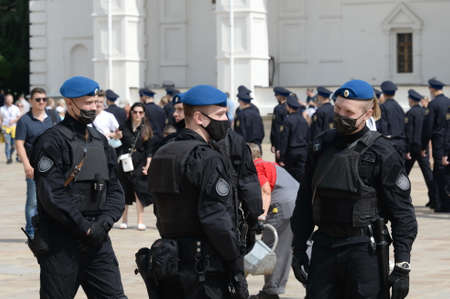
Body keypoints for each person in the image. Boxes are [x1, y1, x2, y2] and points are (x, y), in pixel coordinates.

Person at [291, 79, 417, 299]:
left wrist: (402, 264)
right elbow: (304, 201)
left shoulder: (383, 152)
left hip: (363, 251)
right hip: (324, 246)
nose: (340, 115)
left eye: (348, 112)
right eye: (337, 108)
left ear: (367, 114)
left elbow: (402, 212)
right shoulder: (322, 146)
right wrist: (298, 248)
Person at [147, 85, 249, 299]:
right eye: (220, 115)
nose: (226, 120)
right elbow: (215, 217)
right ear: (199, 118)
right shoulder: (208, 158)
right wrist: (235, 261)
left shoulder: (163, 152)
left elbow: (158, 208)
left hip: (169, 258)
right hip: (204, 265)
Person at [30, 76, 127, 298]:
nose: (93, 108)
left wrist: (103, 223)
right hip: (62, 242)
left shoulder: (99, 140)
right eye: (87, 103)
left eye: (95, 102)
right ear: (69, 103)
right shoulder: (51, 141)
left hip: (97, 241)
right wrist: (84, 227)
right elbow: (52, 194)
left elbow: (115, 189)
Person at [248, 143, 298, 299]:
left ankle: (271, 291)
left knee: (272, 248)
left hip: (283, 207)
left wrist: (261, 215)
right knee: (288, 249)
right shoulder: (270, 164)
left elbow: (265, 190)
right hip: (295, 205)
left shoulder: (256, 167)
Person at [15, 88, 60, 239]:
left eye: (44, 99)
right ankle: (31, 231)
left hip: (54, 167)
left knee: (53, 199)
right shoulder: (24, 120)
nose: (42, 102)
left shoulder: (53, 116)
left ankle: (50, 230)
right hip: (34, 167)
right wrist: (27, 165)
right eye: (38, 99)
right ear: (30, 101)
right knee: (33, 201)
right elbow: (19, 144)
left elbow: (62, 136)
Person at [117, 103, 153, 230]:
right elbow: (117, 145)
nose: (138, 115)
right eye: (135, 112)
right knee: (125, 190)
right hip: (125, 162)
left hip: (139, 162)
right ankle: (124, 219)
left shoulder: (146, 128)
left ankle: (140, 220)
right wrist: (116, 137)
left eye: (140, 112)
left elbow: (149, 149)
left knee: (139, 190)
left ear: (144, 114)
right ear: (131, 113)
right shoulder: (123, 127)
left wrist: (148, 165)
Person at [423, 78, 450, 212]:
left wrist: (424, 145)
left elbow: (428, 127)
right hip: (448, 141)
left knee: (439, 173)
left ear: (432, 89)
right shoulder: (448, 102)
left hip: (439, 141)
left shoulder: (433, 105)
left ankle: (441, 204)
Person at [404, 89, 433, 205]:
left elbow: (410, 133)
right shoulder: (424, 112)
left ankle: (401, 198)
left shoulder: (410, 113)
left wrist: (407, 149)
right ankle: (434, 199)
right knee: (428, 175)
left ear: (411, 100)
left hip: (413, 149)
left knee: (403, 175)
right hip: (423, 148)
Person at [278, 94, 310, 183]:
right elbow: (308, 137)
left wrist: (282, 157)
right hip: (303, 150)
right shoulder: (303, 120)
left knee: (290, 176)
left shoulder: (288, 120)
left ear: (289, 107)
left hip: (291, 152)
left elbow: (285, 139)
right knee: (301, 175)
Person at [376, 80, 407, 156]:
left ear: (383, 93)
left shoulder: (383, 106)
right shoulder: (399, 107)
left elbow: (383, 125)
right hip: (401, 142)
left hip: (390, 142)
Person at [270, 87, 290, 162]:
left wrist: (275, 145)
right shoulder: (290, 107)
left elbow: (276, 128)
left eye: (276, 96)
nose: (276, 97)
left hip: (280, 143)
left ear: (280, 97)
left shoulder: (278, 109)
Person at [0, 93, 20, 163]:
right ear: (5, 100)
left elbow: (18, 117)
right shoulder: (1, 109)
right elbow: (0, 119)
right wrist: (1, 127)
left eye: (10, 99)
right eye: (7, 99)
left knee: (14, 145)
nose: (9, 101)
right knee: (7, 143)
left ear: (12, 100)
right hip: (5, 128)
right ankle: (8, 158)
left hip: (14, 128)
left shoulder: (15, 108)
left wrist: (14, 120)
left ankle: (10, 154)